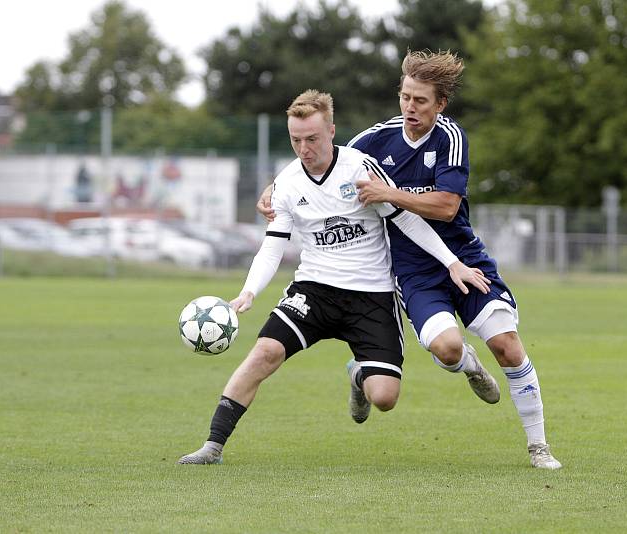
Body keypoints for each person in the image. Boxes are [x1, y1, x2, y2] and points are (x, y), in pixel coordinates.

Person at [257, 51, 562, 469]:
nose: (410, 108)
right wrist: (273, 188)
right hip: (413, 271)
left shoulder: (450, 138)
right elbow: (322, 155)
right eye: (405, 98)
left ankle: (538, 446)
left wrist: (389, 193)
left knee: (508, 347)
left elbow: (447, 206)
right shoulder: (375, 139)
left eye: (420, 101)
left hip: (462, 257)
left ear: (440, 104)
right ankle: (461, 367)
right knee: (449, 348)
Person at [178, 89, 491, 465]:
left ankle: (359, 375)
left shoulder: (360, 168)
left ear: (331, 131)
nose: (304, 148)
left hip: (371, 296)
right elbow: (273, 245)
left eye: (312, 138)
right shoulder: (287, 184)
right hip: (314, 291)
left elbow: (406, 219)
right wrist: (249, 292)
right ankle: (213, 445)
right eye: (296, 140)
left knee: (385, 398)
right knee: (264, 353)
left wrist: (452, 262)